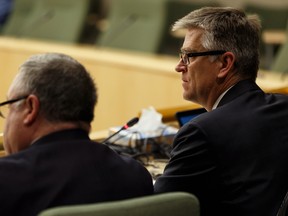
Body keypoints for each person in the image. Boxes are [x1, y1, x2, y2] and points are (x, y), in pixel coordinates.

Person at [154, 7, 288, 216]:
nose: (179, 67)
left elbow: (157, 208)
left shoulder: (201, 132)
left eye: (188, 56)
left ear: (225, 63)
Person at [0, 53, 153, 216]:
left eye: (9, 107)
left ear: (31, 108)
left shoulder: (6, 180)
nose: (7, 118)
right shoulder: (135, 176)